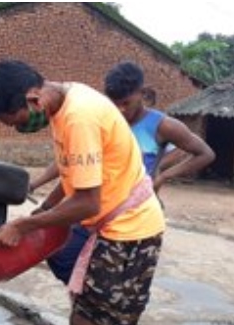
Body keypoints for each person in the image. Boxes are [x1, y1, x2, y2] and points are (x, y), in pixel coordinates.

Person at [0, 60, 165, 325]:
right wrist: (45, 209)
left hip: (129, 228)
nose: (23, 130)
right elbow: (73, 175)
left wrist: (24, 225)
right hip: (117, 222)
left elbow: (87, 202)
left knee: (85, 324)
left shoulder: (78, 118)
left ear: (34, 98)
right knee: (84, 312)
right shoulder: (67, 98)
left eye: (19, 122)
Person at [30, 61, 215, 285]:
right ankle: (86, 301)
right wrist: (39, 191)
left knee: (111, 280)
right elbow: (73, 165)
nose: (121, 110)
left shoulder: (163, 126)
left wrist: (163, 175)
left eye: (126, 103)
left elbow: (204, 153)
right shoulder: (100, 117)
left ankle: (94, 304)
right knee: (60, 253)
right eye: (114, 103)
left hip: (128, 213)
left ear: (143, 94)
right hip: (94, 204)